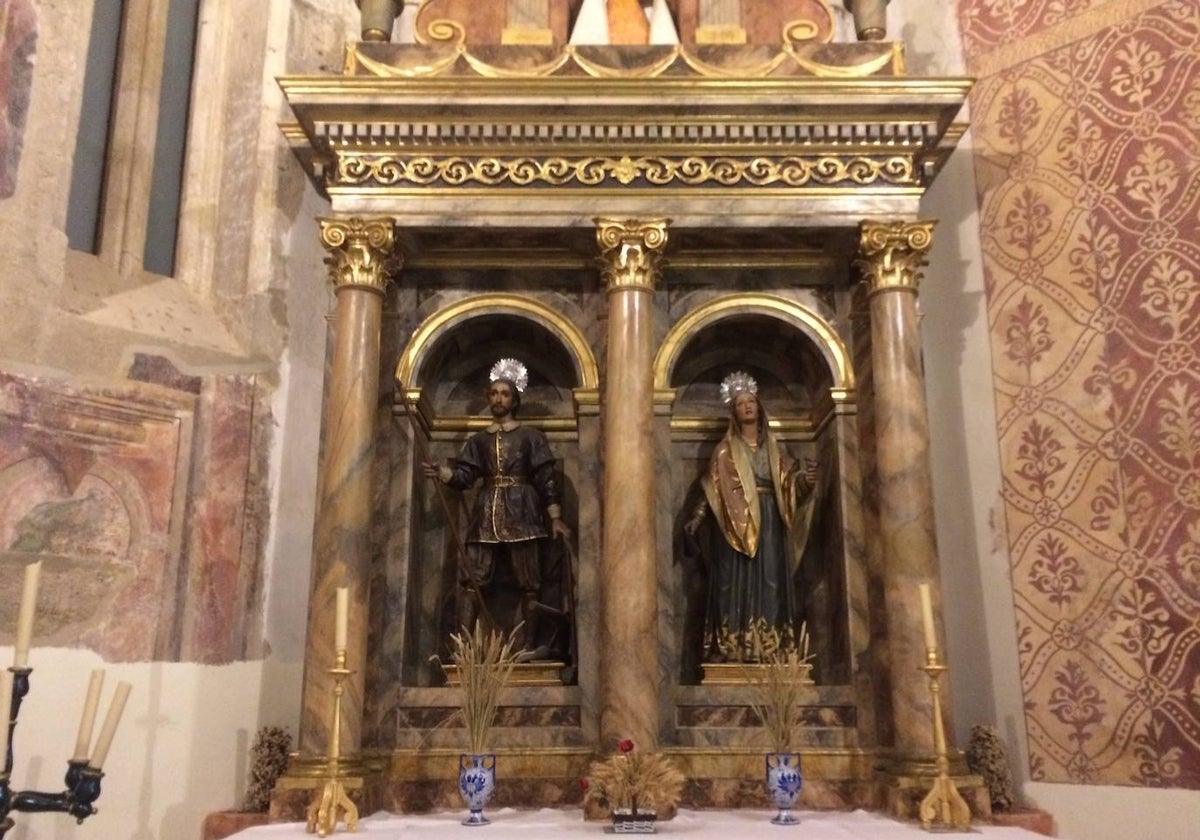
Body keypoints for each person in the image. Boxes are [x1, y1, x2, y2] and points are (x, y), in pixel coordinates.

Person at [423, 358, 571, 660]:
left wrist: (555, 517)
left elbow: (546, 480)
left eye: (504, 394)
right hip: (486, 511)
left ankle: (530, 646)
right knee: (472, 579)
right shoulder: (478, 441)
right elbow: (465, 476)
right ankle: (462, 648)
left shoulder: (531, 438)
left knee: (529, 581)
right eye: (492, 394)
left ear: (514, 400)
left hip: (523, 512)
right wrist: (443, 472)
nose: (497, 399)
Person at [685, 371, 818, 663]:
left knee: (771, 582)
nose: (746, 406)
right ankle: (733, 646)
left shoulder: (774, 450)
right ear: (733, 411)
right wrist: (697, 517)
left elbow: (790, 486)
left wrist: (806, 481)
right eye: (740, 403)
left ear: (759, 408)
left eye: (751, 401)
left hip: (770, 521)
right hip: (734, 524)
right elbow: (711, 488)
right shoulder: (723, 452)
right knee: (732, 584)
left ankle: (771, 649)